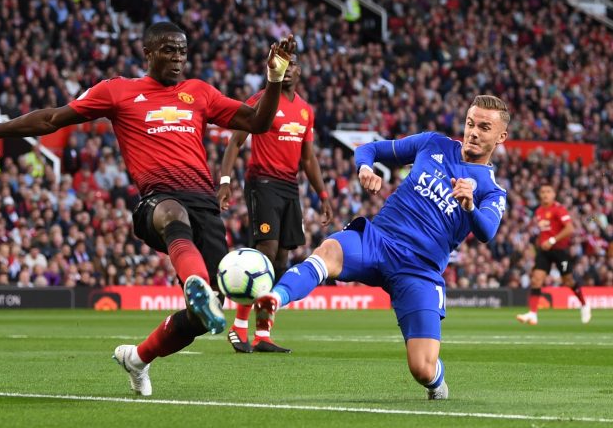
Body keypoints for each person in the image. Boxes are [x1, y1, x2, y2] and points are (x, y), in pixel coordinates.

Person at [0, 21, 296, 396]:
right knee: (172, 215)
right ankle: (193, 282)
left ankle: (137, 358)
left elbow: (259, 122)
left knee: (200, 318)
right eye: (167, 49)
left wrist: (274, 78)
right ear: (148, 53)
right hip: (156, 201)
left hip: (205, 207)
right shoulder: (118, 91)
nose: (177, 57)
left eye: (181, 50)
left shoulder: (199, 93)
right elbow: (50, 119)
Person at [253, 95, 511, 400]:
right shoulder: (433, 144)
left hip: (420, 270)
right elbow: (369, 149)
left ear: (500, 136)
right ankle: (275, 298)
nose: (474, 132)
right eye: (470, 123)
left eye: (484, 127)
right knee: (328, 252)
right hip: (378, 241)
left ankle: (437, 384)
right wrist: (365, 168)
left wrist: (469, 206)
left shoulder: (492, 191)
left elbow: (487, 232)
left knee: (422, 368)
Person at [217, 54, 333, 353]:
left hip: (290, 187)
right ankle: (238, 326)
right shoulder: (262, 99)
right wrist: (226, 181)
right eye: (286, 64)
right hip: (262, 182)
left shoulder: (306, 111)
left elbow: (308, 158)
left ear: (299, 71)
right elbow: (235, 142)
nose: (290, 69)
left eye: (294, 64)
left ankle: (262, 335)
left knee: (281, 262)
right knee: (265, 252)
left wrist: (322, 195)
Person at [516, 184, 590, 325]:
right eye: (542, 191)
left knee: (568, 281)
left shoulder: (559, 209)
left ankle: (584, 304)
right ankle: (533, 314)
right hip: (544, 251)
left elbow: (570, 228)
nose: (545, 194)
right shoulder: (538, 211)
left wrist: (552, 240)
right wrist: (538, 244)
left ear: (554, 194)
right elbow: (543, 232)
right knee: (536, 279)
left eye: (548, 191)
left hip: (559, 250)